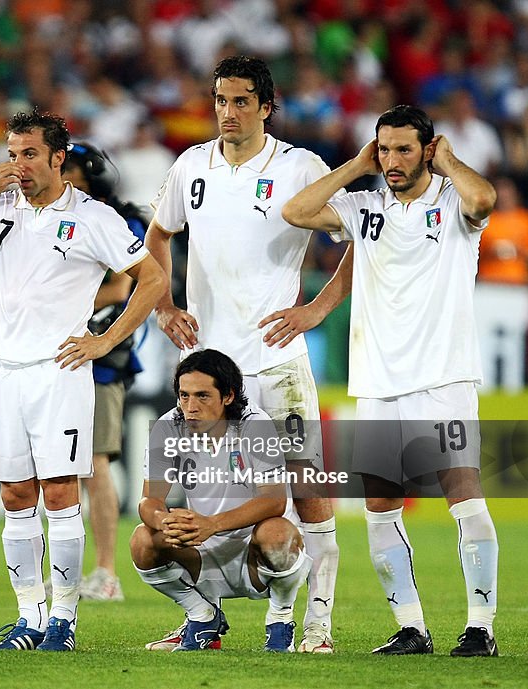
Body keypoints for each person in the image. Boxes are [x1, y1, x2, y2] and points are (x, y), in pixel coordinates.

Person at [0, 109, 165, 651]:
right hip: (5, 371)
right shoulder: (1, 209)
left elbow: (150, 279)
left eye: (30, 154)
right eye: (12, 154)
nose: (18, 165)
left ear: (59, 158)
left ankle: (63, 618)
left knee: (60, 493)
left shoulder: (92, 217)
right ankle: (29, 618)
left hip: (59, 371)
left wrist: (105, 341)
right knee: (16, 496)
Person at [281, 104, 500, 657]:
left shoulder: (453, 203)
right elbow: (296, 211)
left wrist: (448, 162)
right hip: (377, 379)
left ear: (428, 149)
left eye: (404, 149)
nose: (392, 160)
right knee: (380, 502)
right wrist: (356, 167)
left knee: (463, 493)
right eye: (384, 149)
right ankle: (410, 628)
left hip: (443, 376)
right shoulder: (366, 206)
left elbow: (483, 200)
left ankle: (480, 629)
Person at [146, 55, 345, 653]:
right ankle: (201, 616)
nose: (227, 113)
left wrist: (315, 309)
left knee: (306, 488)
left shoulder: (300, 166)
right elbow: (159, 235)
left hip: (276, 363)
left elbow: (363, 232)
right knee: (182, 492)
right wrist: (163, 304)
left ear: (265, 106)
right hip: (207, 367)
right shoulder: (190, 166)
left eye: (240, 102)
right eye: (220, 101)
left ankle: (317, 626)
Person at [132, 349, 311, 652]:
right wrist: (165, 520)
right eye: (184, 396)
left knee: (278, 532)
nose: (190, 407)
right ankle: (201, 616)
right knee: (142, 539)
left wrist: (213, 524)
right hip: (200, 551)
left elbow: (275, 502)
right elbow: (149, 500)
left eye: (202, 396)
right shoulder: (168, 426)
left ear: (228, 396)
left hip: (253, 552)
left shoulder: (255, 425)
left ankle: (280, 619)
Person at [61, 141, 147, 603]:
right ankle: (67, 571)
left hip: (100, 355)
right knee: (62, 467)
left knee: (93, 463)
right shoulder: (55, 217)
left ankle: (106, 573)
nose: (65, 178)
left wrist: (57, 303)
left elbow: (121, 286)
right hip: (60, 351)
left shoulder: (117, 220)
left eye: (72, 170)